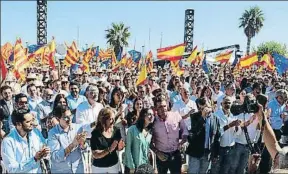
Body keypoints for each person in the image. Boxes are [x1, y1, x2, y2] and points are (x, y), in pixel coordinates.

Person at [47, 105, 96, 173]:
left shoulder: (78, 128)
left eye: (70, 116)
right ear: (58, 119)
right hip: (61, 171)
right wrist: (73, 144)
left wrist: (83, 144)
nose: (70, 119)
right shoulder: (52, 133)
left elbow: (85, 150)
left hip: (78, 169)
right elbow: (56, 157)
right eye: (66, 117)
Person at [1, 108, 50, 173]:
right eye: (28, 122)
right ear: (18, 124)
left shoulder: (36, 132)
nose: (32, 123)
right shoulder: (8, 141)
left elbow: (44, 146)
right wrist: (34, 159)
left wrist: (45, 152)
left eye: (32, 120)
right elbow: (12, 169)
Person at [150, 97, 188, 174]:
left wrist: (182, 142)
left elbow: (185, 131)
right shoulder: (153, 121)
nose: (163, 108)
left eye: (164, 106)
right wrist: (157, 152)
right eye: (160, 107)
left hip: (175, 154)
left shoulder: (176, 116)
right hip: (161, 156)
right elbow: (148, 141)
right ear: (156, 109)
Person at [186, 97, 221, 174]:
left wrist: (216, 154)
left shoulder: (215, 119)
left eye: (207, 107)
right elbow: (193, 133)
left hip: (207, 153)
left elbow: (217, 137)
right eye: (203, 108)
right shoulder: (194, 117)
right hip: (195, 152)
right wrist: (202, 117)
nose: (206, 110)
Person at [90, 107, 125, 173]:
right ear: (103, 120)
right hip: (99, 168)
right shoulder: (95, 133)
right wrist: (109, 150)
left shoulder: (116, 130)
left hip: (114, 166)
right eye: (110, 119)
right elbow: (95, 154)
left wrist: (120, 147)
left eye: (113, 119)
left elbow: (118, 148)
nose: (113, 121)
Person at [124, 108, 154, 173]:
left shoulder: (150, 132)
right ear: (143, 116)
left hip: (144, 167)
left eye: (153, 115)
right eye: (149, 114)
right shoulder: (132, 129)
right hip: (132, 167)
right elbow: (128, 149)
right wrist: (131, 167)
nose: (152, 116)